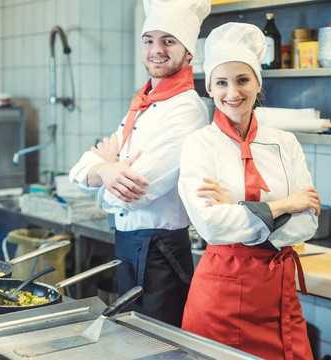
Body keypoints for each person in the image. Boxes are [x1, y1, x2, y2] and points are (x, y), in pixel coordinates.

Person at [178, 22, 321, 359]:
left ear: (258, 82)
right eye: (221, 82)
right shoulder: (199, 145)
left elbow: (308, 222)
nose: (233, 93)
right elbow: (211, 226)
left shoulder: (285, 143)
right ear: (209, 88)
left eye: (242, 80)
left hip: (280, 297)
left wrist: (237, 211)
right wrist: (283, 205)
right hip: (220, 302)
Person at [69, 0, 211, 327]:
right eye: (149, 40)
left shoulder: (187, 108)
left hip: (159, 253)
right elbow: (83, 168)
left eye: (168, 41)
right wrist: (104, 169)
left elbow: (133, 191)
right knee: (129, 338)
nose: (156, 50)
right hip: (128, 245)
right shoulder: (144, 102)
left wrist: (105, 171)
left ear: (189, 52)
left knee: (156, 346)